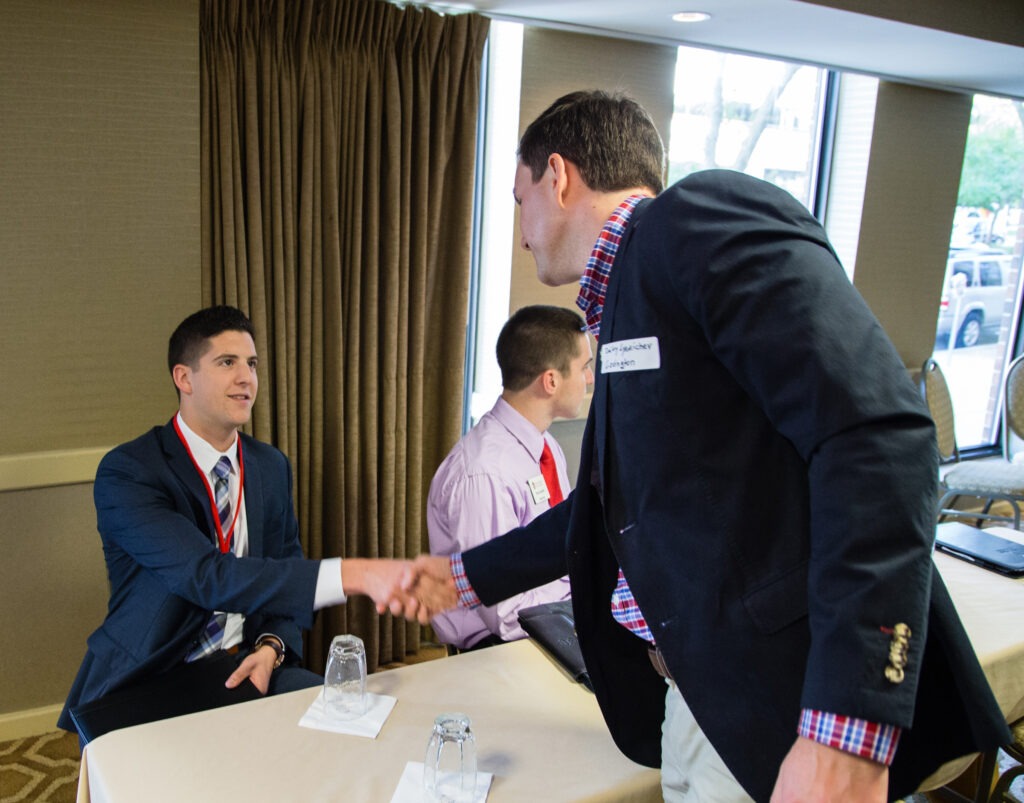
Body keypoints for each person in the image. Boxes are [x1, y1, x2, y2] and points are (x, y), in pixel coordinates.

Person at [401, 91, 1010, 802]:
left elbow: (878, 435)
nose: (523, 229)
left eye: (518, 199)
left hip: (788, 695)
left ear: (559, 177)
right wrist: (459, 576)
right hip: (698, 689)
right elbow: (608, 511)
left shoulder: (694, 222)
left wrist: (846, 727)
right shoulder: (623, 303)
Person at [59, 305, 411, 739]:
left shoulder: (270, 465)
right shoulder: (130, 471)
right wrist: (354, 573)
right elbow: (206, 575)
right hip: (151, 677)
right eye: (227, 363)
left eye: (252, 363)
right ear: (184, 378)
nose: (247, 378)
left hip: (245, 663)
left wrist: (272, 647)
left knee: (352, 728)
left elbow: (284, 566)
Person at [428, 305, 591, 650]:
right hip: (495, 647)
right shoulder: (483, 472)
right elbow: (503, 612)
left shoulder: (545, 445)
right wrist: (578, 593)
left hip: (551, 621)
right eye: (584, 367)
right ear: (551, 380)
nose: (590, 379)